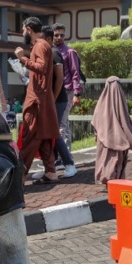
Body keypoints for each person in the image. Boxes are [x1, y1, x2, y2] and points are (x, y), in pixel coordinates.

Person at [12, 17, 60, 183]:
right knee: (43, 136)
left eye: (23, 29)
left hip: (37, 100)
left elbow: (40, 67)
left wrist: (22, 58)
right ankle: (51, 172)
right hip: (42, 98)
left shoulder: (39, 45)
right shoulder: (43, 45)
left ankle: (20, 175)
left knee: (29, 136)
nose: (22, 33)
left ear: (29, 29)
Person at [92, 77, 132, 184]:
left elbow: (95, 121)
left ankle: (107, 180)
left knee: (106, 161)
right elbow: (125, 121)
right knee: (115, 161)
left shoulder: (101, 104)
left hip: (104, 141)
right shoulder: (120, 102)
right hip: (119, 140)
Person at [51, 26, 80, 178]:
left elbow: (75, 73)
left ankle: (66, 158)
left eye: (62, 35)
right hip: (55, 92)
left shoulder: (70, 52)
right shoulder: (52, 51)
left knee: (62, 125)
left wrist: (76, 93)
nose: (59, 37)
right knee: (57, 125)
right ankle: (60, 158)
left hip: (67, 91)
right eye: (56, 35)